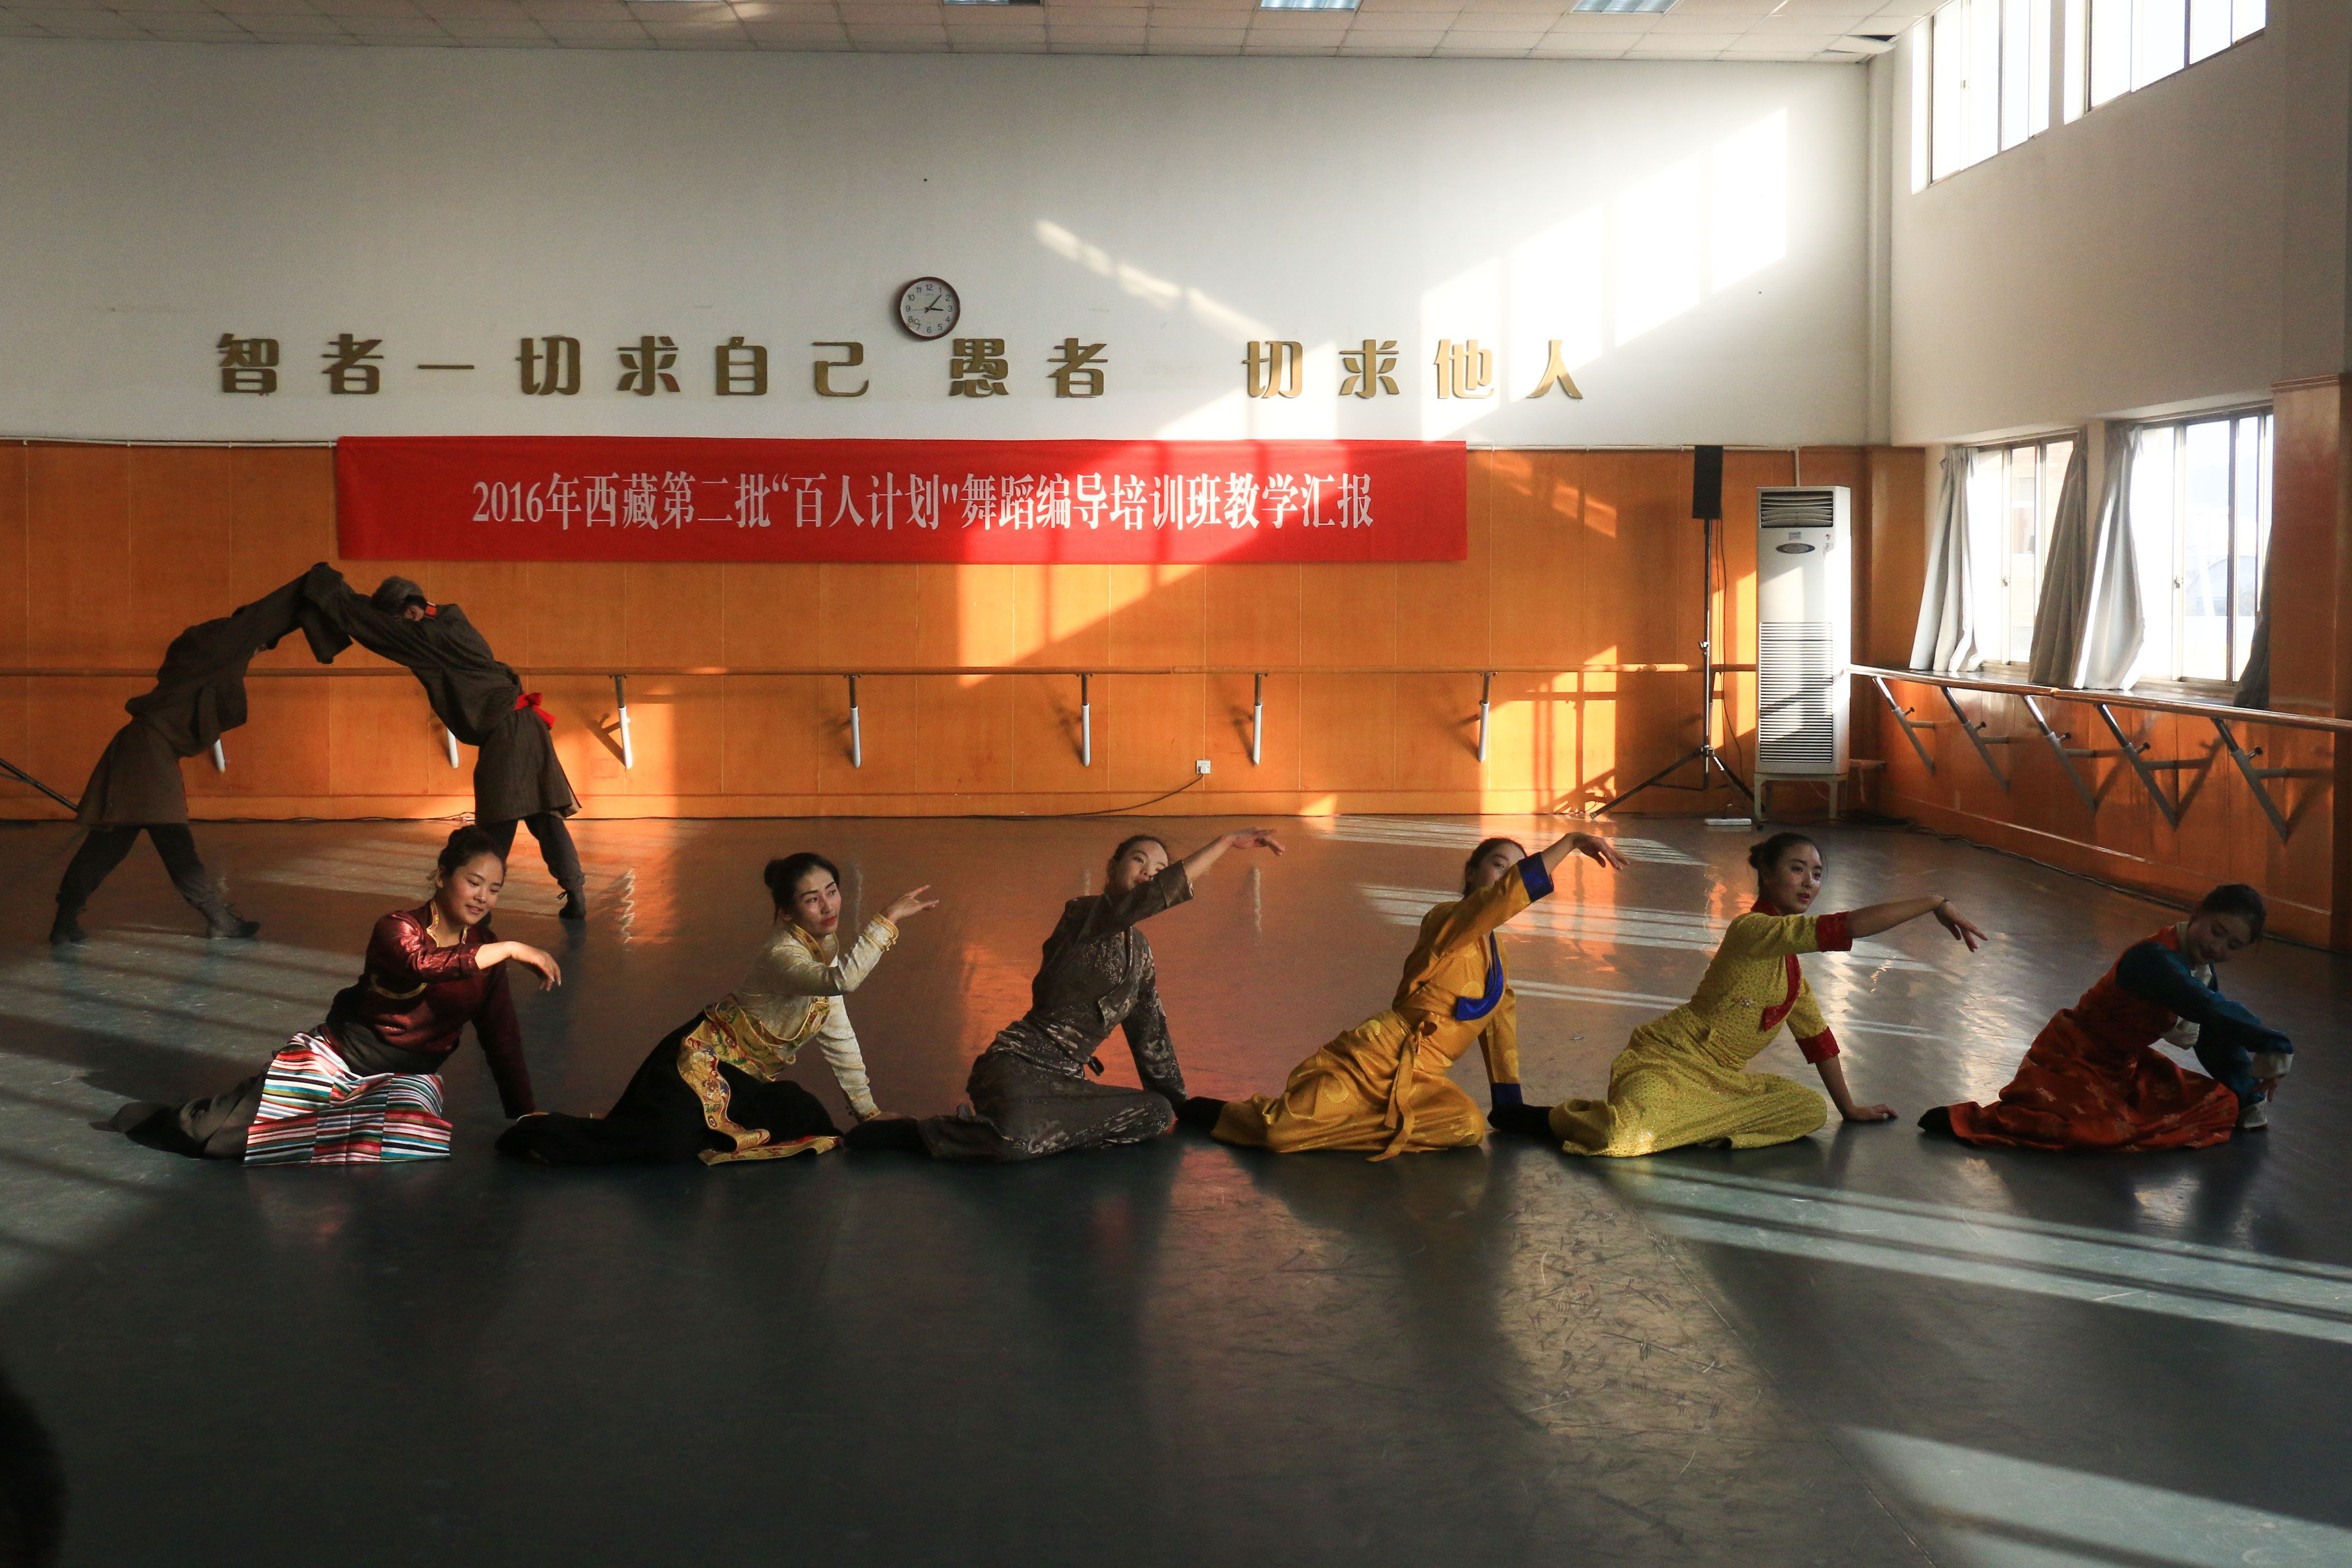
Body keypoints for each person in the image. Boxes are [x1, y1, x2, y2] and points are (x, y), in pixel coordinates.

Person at [1493, 831, 1986, 1157]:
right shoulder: (1751, 930)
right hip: (1664, 1063)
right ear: (1767, 875)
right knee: (1621, 1138)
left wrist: (1849, 1108)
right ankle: (1551, 1119)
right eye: (1797, 869)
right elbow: (1844, 927)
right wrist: (1932, 902)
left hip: (1715, 1084)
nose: (1809, 882)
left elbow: (1817, 1041)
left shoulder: (1791, 976)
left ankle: (1684, 1126)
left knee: (1807, 1109)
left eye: (1817, 874)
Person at [106, 826, 558, 1163]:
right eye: (474, 882)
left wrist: (525, 1114)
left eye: (494, 889)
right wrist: (512, 947)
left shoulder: (486, 950)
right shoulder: (398, 928)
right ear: (443, 876)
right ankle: (165, 1119)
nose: (483, 897)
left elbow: (502, 1037)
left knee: (410, 1139)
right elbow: (422, 964)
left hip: (404, 1081)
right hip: (340, 1058)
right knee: (217, 1135)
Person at [1187, 829, 1630, 1160]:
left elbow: (1501, 1032)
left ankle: (1349, 1124)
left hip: (1422, 1079)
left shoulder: (1498, 961)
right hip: (1376, 1058)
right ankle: (1215, 1112)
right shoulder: (1446, 920)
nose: (1508, 876)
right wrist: (1569, 842)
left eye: (1517, 868)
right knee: (1279, 1133)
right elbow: (1498, 901)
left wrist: (1510, 1108)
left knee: (1466, 1125)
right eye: (1500, 865)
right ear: (1472, 872)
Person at [848, 828, 1284, 1162]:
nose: (1150, 872)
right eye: (1139, 860)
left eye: (1159, 867)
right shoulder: (1082, 915)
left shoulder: (1141, 954)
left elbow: (1150, 1034)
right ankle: (925, 1134)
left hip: (1067, 1083)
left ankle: (1048, 1130)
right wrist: (1224, 842)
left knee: (1155, 1112)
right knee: (1016, 1140)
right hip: (1015, 1066)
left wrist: (1178, 1103)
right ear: (1112, 867)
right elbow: (1143, 901)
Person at [499, 853, 938, 1165]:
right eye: (812, 899)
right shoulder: (782, 956)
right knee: (663, 1148)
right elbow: (843, 982)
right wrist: (888, 918)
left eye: (832, 891)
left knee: (807, 1117)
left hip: (742, 1081)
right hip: (693, 1067)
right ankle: (538, 1131)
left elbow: (837, 1032)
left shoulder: (824, 950)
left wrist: (868, 1112)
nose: (828, 906)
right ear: (787, 913)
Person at [51, 565, 342, 946]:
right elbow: (257, 620)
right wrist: (309, 588)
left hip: (143, 752)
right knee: (172, 843)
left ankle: (65, 920)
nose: (257, 651)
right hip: (146, 755)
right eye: (256, 645)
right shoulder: (212, 652)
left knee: (108, 845)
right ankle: (218, 919)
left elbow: (252, 635)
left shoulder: (202, 666)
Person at [305, 571, 588, 920]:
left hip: (508, 733)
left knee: (496, 825)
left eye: (401, 621)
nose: (401, 629)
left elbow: (378, 633)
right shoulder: (451, 618)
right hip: (528, 726)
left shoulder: (431, 637)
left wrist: (333, 595)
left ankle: (478, 907)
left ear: (411, 613)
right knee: (545, 820)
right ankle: (575, 893)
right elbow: (383, 623)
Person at [1922, 883, 2289, 1150]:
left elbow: (2214, 1036)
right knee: (2091, 1130)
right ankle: (1971, 1121)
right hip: (2073, 1057)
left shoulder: (2201, 970)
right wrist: (2272, 1041)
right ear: (2198, 912)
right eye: (2217, 932)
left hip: (2124, 1067)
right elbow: (2206, 1006)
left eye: (2232, 946)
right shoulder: (2153, 958)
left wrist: (2247, 1092)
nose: (2217, 947)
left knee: (2221, 1102)